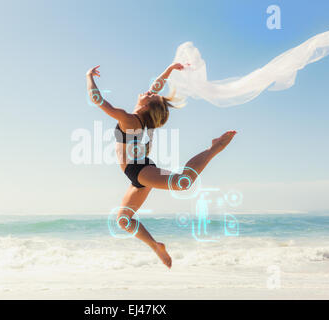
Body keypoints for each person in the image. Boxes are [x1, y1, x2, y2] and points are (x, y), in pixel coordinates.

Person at [86, 63, 237, 268]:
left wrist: (89, 77)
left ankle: (215, 148)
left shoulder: (129, 119)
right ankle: (156, 246)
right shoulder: (143, 118)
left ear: (147, 106)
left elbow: (97, 100)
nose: (149, 91)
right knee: (124, 220)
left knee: (183, 182)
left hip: (141, 171)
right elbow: (155, 87)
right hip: (137, 173)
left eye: (150, 95)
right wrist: (169, 70)